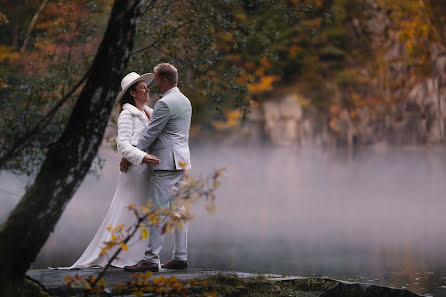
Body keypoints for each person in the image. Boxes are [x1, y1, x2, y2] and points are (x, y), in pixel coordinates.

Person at [69, 72, 161, 269]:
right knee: (128, 209)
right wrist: (140, 157)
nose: (148, 90)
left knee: (143, 211)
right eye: (143, 87)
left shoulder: (149, 112)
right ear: (133, 93)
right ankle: (120, 256)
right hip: (136, 172)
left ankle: (141, 257)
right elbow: (123, 144)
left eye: (146, 86)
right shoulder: (127, 114)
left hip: (147, 171)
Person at [121, 63, 192, 273]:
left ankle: (151, 259)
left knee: (157, 210)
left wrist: (132, 155)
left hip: (166, 163)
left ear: (164, 81)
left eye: (158, 81)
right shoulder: (185, 101)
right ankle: (180, 256)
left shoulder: (165, 103)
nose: (156, 86)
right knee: (178, 210)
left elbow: (150, 134)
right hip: (182, 162)